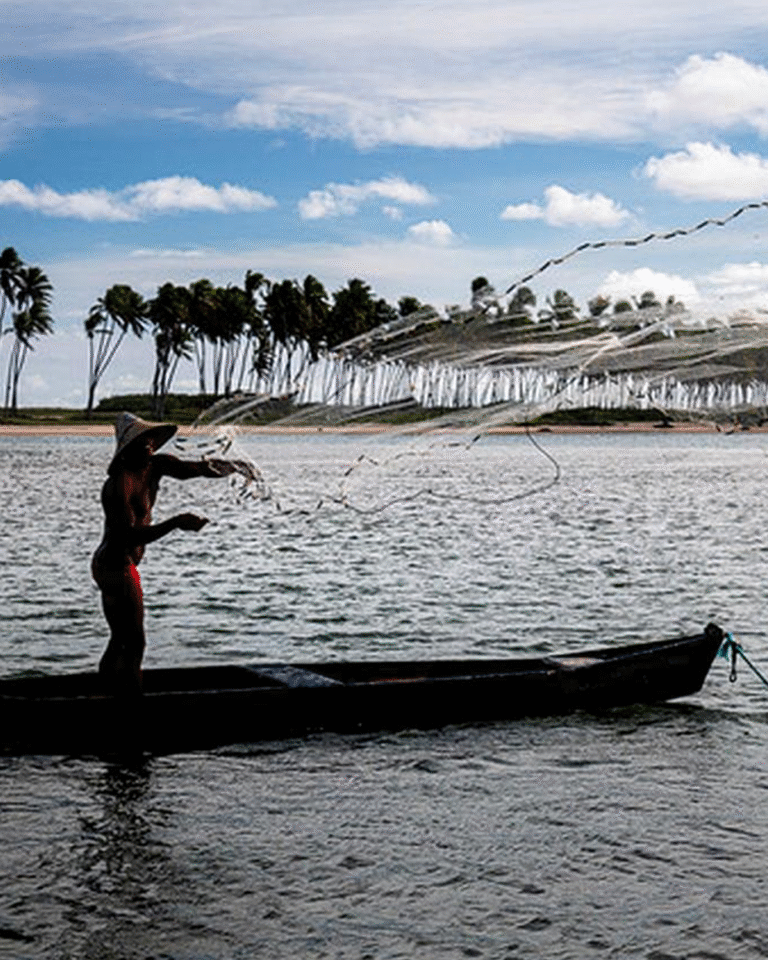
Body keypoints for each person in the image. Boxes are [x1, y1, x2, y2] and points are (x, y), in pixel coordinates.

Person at [92, 412, 244, 695]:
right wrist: (176, 523)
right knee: (135, 642)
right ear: (127, 448)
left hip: (116, 563)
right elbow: (128, 536)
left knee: (120, 639)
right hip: (116, 564)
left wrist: (235, 467)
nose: (149, 445)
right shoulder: (119, 485)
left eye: (150, 440)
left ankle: (104, 697)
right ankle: (131, 703)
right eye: (141, 441)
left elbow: (196, 469)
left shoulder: (156, 466)